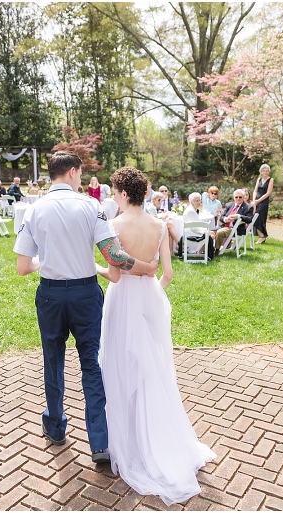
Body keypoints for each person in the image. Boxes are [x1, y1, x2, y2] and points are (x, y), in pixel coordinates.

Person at [13, 151, 158, 465]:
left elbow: (23, 267)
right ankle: (99, 442)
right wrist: (146, 267)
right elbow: (114, 256)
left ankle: (55, 426)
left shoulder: (33, 210)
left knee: (52, 361)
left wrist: (46, 261)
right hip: (85, 294)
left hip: (51, 295)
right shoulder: (91, 206)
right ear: (73, 173)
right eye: (79, 174)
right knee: (91, 364)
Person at [95, 166, 216, 506]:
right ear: (143, 193)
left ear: (121, 193)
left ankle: (132, 440)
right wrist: (153, 294)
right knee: (151, 368)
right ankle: (158, 435)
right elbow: (168, 274)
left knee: (122, 364)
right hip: (149, 296)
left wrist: (96, 269)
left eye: (114, 193)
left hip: (122, 301)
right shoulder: (160, 226)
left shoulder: (114, 226)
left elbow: (116, 277)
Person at [211, 189, 254, 256]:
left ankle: (216, 251)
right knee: (209, 231)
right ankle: (208, 249)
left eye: (240, 197)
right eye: (236, 197)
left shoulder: (248, 207)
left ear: (243, 197)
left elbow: (249, 219)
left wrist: (238, 216)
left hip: (236, 229)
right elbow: (222, 217)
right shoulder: (229, 205)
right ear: (234, 197)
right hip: (225, 226)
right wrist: (226, 219)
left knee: (219, 232)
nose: (238, 199)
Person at [252, 164, 274, 243]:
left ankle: (262, 236)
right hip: (256, 200)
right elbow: (255, 191)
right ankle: (261, 236)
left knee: (259, 217)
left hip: (263, 201)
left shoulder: (270, 180)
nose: (265, 172)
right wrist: (254, 200)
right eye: (264, 171)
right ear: (261, 172)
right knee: (254, 217)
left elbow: (268, 193)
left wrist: (258, 201)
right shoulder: (259, 179)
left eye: (267, 171)